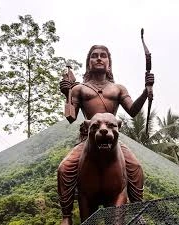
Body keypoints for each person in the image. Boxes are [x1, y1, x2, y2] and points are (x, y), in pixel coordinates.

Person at [58, 45, 154, 225]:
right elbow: (71, 117)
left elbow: (133, 111)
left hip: (112, 137)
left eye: (103, 56)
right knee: (64, 168)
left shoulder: (118, 89)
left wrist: (145, 91)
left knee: (136, 167)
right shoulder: (80, 89)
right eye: (94, 56)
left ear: (109, 63)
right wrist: (67, 94)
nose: (99, 58)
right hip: (89, 137)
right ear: (89, 63)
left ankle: (137, 208)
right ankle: (66, 215)